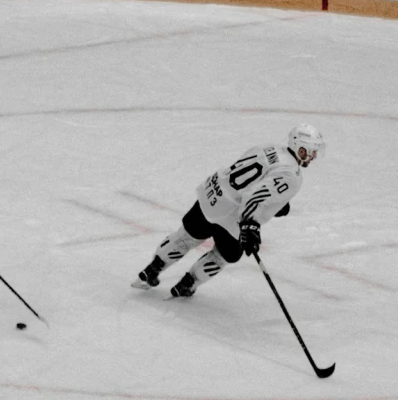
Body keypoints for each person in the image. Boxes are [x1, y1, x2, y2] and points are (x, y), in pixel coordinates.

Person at [133, 124, 326, 299]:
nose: (314, 156)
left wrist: (277, 203)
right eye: (312, 151)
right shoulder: (292, 176)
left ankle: (151, 270)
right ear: (301, 148)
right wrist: (250, 226)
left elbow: (250, 174)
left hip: (213, 195)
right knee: (226, 255)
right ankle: (188, 284)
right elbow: (253, 196)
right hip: (234, 218)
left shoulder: (270, 147)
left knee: (187, 236)